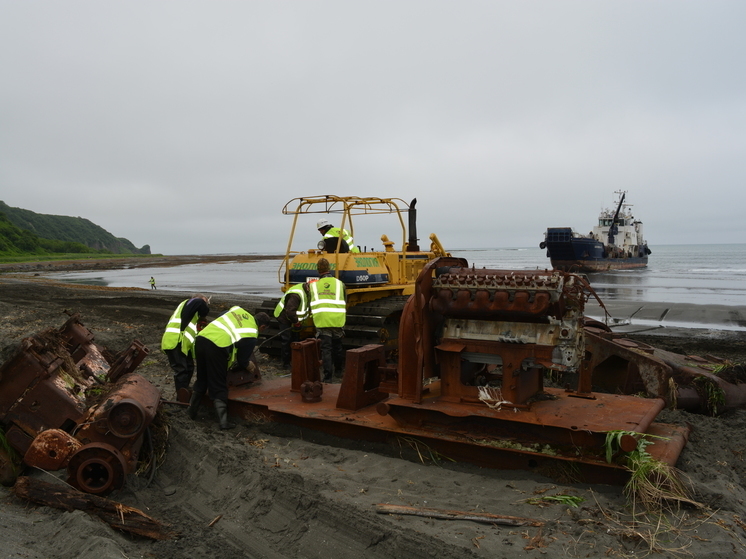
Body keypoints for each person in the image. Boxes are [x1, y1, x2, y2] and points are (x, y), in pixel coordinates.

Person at [188, 307, 271, 429]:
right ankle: (223, 422)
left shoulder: (238, 310)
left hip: (201, 339)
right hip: (217, 345)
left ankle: (191, 412)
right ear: (262, 327)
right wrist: (248, 365)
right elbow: (242, 360)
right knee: (218, 383)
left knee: (202, 378)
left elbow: (222, 315)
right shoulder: (252, 332)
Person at [161, 294, 210, 394]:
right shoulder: (193, 301)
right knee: (181, 370)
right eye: (206, 302)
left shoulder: (191, 311)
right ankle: (181, 397)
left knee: (189, 367)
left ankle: (184, 391)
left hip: (182, 344)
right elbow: (200, 303)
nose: (206, 304)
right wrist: (203, 316)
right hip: (175, 340)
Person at [308, 258, 347, 382]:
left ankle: (328, 377)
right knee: (337, 347)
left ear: (318, 270)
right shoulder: (340, 284)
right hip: (337, 320)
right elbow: (345, 300)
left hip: (322, 321)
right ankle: (339, 371)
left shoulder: (313, 286)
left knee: (326, 350)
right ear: (329, 269)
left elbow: (311, 302)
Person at [273, 282, 311, 369]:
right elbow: (290, 312)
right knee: (286, 339)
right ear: (308, 287)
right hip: (284, 317)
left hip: (293, 319)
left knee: (295, 338)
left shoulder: (306, 291)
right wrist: (297, 322)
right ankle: (286, 364)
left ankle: (295, 360)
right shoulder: (296, 295)